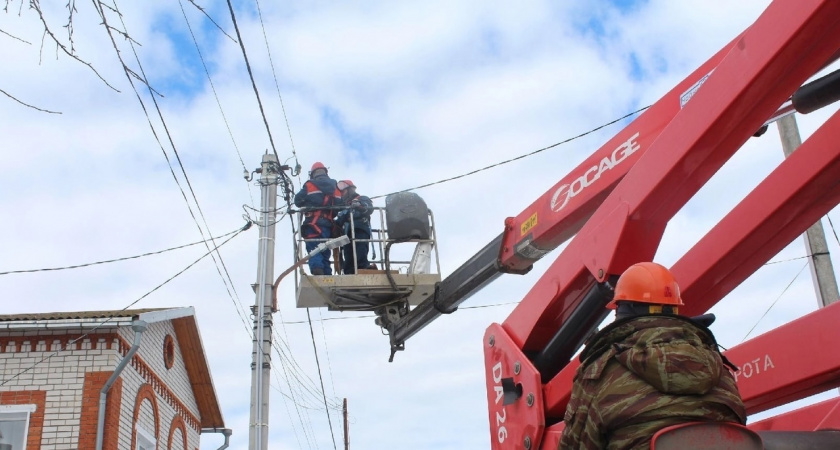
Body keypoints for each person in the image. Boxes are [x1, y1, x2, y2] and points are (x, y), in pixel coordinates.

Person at [559, 262, 746, 450]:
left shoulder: (600, 373)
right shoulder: (721, 371)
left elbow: (576, 445)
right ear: (674, 308)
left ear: (623, 311)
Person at [294, 162, 343, 275]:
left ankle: (317, 271)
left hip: (313, 224)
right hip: (328, 225)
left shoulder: (310, 185)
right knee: (325, 250)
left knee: (314, 248)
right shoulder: (335, 188)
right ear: (325, 172)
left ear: (313, 174)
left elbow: (298, 201)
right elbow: (340, 205)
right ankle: (326, 274)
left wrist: (310, 204)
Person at [334, 180, 374, 274]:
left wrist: (360, 205)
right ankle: (349, 273)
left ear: (349, 190)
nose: (342, 194)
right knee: (348, 257)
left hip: (359, 229)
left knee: (360, 253)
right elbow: (339, 221)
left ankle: (363, 269)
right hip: (347, 234)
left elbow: (369, 208)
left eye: (343, 192)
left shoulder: (361, 198)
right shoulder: (344, 207)